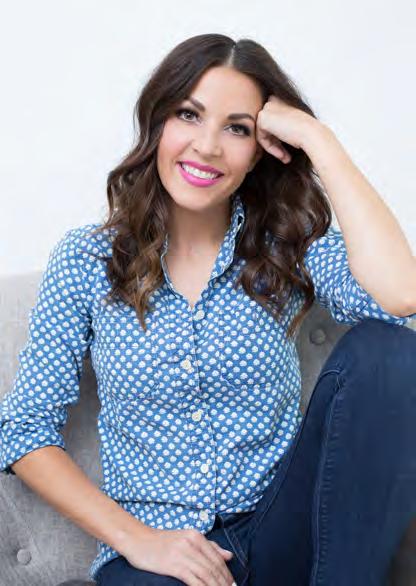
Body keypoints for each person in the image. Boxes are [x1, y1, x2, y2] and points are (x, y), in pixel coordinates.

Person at [1, 33, 416, 586]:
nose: (208, 146)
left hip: (282, 530)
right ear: (158, 123)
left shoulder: (285, 245)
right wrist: (138, 540)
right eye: (189, 115)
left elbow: (400, 296)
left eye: (237, 128)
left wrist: (321, 142)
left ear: (260, 150)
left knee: (391, 352)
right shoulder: (87, 261)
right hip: (160, 554)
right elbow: (25, 430)